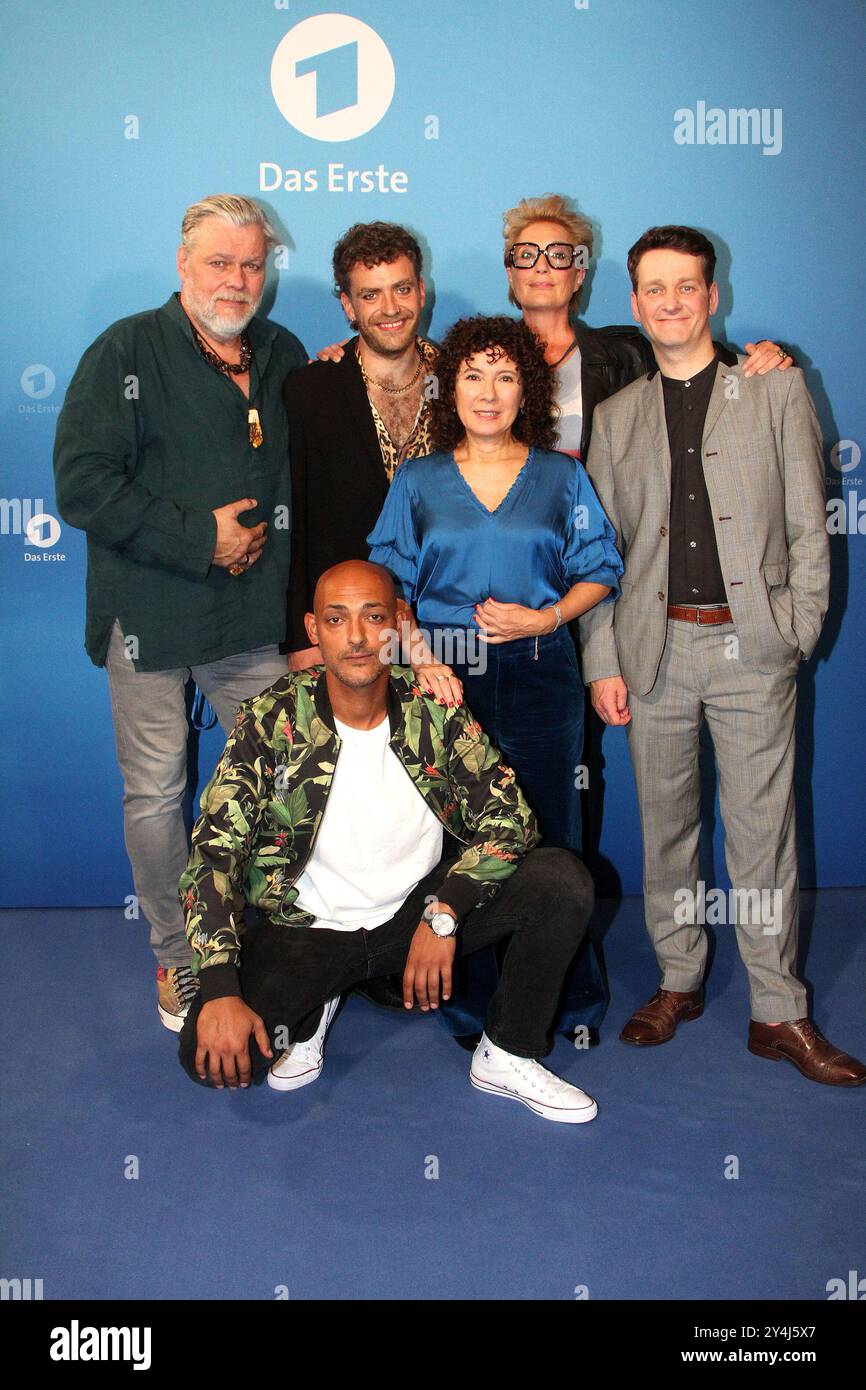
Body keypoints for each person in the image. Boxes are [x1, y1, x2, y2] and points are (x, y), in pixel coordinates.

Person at [579, 224, 865, 1086]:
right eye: (654, 289)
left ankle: (779, 1009)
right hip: (652, 650)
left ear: (712, 295)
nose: (671, 302)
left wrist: (797, 626)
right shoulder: (616, 415)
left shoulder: (773, 389)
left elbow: (812, 522)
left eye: (686, 286)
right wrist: (602, 660)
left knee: (762, 833)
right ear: (635, 304)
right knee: (668, 830)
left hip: (754, 651)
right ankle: (678, 979)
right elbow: (598, 552)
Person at [177, 561, 598, 1124]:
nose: (355, 637)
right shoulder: (269, 720)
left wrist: (445, 912)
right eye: (336, 619)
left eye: (373, 617)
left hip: (413, 921)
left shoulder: (433, 708)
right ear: (313, 629)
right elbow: (213, 854)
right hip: (310, 930)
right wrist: (221, 984)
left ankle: (508, 1051)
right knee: (215, 1060)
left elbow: (512, 818)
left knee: (561, 881)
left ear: (397, 625)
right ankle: (317, 1003)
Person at [53, 194, 307, 1032]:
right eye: (219, 263)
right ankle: (179, 958)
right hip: (151, 615)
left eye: (251, 265)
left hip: (249, 620)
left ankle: (257, 941)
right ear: (182, 265)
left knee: (279, 783)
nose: (237, 281)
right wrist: (200, 537)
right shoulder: (124, 350)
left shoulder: (282, 351)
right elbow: (84, 485)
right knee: (159, 797)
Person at [368, 315, 623, 1040]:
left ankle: (563, 1001)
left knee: (550, 837)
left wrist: (545, 620)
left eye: (506, 376)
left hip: (543, 675)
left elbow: (600, 569)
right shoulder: (416, 480)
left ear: (528, 389)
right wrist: (419, 656)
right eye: (473, 375)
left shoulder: (561, 475)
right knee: (459, 844)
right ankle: (470, 999)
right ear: (450, 387)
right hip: (448, 679)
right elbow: (388, 584)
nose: (488, 392)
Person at [502, 193, 794, 460]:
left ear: (579, 275)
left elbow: (696, 366)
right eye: (527, 255)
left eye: (558, 255)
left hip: (601, 516)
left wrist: (767, 357)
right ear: (510, 275)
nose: (542, 266)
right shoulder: (478, 359)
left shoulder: (627, 354)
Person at [283, 222, 444, 672]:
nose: (390, 308)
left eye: (401, 289)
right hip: (349, 635)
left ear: (421, 292)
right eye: (370, 295)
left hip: (451, 623)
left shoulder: (459, 382)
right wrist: (304, 633)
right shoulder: (311, 390)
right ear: (348, 305)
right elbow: (298, 522)